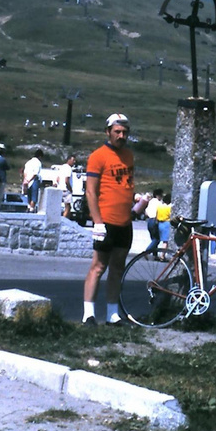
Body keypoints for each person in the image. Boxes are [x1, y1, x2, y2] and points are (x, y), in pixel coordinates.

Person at [82, 112, 134, 326]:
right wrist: (98, 222)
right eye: (117, 132)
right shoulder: (98, 156)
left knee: (118, 268)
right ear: (108, 132)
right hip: (106, 222)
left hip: (125, 222)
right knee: (98, 266)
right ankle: (88, 314)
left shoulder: (129, 155)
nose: (121, 136)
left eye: (124, 132)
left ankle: (112, 314)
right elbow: (91, 192)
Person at [144, 188, 163, 260]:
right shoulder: (159, 203)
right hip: (155, 220)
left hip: (149, 220)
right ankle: (146, 252)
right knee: (157, 239)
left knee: (153, 239)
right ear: (158, 195)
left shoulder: (151, 201)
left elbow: (146, 211)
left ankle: (155, 255)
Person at [156, 192, 172, 262]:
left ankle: (162, 254)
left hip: (160, 223)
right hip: (166, 223)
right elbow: (170, 215)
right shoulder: (169, 207)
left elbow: (156, 215)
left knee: (162, 240)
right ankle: (162, 255)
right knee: (165, 241)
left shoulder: (159, 207)